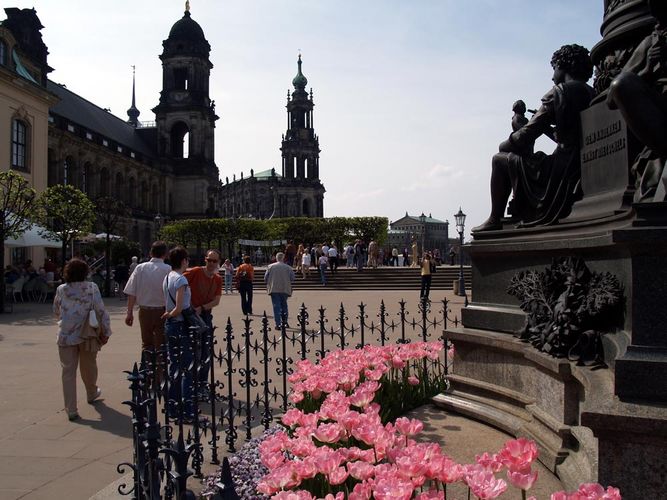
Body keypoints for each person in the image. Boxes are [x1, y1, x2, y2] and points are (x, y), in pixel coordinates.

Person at [474, 44, 596, 232]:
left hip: (560, 169)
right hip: (577, 165)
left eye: (554, 68)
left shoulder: (559, 92)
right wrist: (548, 129)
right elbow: (562, 136)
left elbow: (527, 134)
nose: (552, 76)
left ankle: (494, 219)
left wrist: (505, 143)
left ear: (563, 66)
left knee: (499, 160)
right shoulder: (590, 92)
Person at [607, 0, 667, 202]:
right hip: (661, 112)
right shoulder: (652, 43)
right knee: (622, 83)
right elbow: (611, 99)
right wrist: (647, 69)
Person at [53, 258, 111, 421]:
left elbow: (56, 310)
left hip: (66, 334)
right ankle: (91, 392)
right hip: (87, 333)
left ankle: (71, 408)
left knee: (68, 371)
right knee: (89, 366)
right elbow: (101, 311)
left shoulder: (61, 289)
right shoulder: (92, 288)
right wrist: (106, 331)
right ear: (86, 272)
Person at [162, 246, 194, 420]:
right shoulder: (181, 280)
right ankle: (186, 409)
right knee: (186, 368)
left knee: (173, 366)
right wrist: (171, 313)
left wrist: (169, 314)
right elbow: (180, 307)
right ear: (183, 261)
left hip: (170, 326)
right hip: (180, 324)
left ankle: (172, 406)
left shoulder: (167, 277)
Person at [124, 241, 171, 355]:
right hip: (163, 310)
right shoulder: (168, 269)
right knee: (161, 344)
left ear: (150, 253)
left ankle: (147, 369)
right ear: (165, 254)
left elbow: (132, 292)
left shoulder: (140, 268)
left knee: (146, 344)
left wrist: (129, 312)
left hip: (145, 310)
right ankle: (160, 370)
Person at [184, 249, 222, 389]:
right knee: (190, 348)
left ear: (218, 262)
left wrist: (202, 307)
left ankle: (202, 382)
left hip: (205, 314)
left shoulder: (217, 279)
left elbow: (216, 301)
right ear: (205, 259)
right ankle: (189, 381)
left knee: (206, 350)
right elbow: (179, 284)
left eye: (214, 261)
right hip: (190, 314)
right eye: (209, 260)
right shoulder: (195, 272)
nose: (211, 263)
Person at [264, 252, 295, 329]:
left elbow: (265, 278)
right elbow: (292, 278)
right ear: (283, 258)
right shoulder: (288, 267)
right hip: (285, 288)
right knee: (284, 305)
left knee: (276, 306)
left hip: (274, 288)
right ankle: (285, 322)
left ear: (276, 258)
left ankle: (278, 324)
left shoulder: (270, 266)